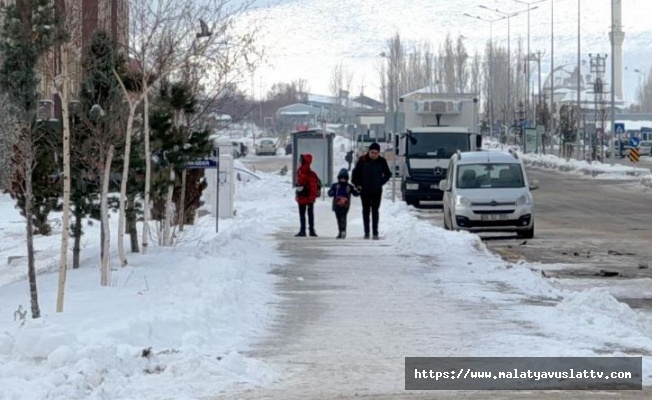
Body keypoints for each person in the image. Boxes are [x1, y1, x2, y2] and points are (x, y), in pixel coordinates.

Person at [351, 142, 392, 240]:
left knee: (375, 211)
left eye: (376, 153)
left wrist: (380, 182)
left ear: (379, 153)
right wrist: (358, 185)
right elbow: (355, 175)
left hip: (376, 191)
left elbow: (388, 174)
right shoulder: (362, 160)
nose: (374, 155)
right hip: (364, 191)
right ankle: (366, 232)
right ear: (369, 152)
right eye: (372, 152)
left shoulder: (382, 161)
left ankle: (375, 232)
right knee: (366, 211)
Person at [327, 168, 360, 239]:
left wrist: (359, 191)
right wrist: (331, 192)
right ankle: (341, 231)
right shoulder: (336, 186)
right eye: (341, 178)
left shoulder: (348, 186)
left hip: (345, 206)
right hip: (337, 205)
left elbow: (355, 193)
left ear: (346, 179)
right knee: (339, 218)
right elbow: (330, 193)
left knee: (343, 218)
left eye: (344, 178)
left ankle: (343, 231)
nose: (342, 180)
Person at [294, 153, 320, 237]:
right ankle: (311, 230)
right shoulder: (309, 173)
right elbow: (313, 187)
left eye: (301, 160)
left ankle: (303, 230)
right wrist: (312, 197)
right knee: (310, 214)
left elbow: (308, 185)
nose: (300, 161)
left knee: (302, 214)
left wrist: (298, 193)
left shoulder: (301, 171)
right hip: (308, 197)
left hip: (303, 196)